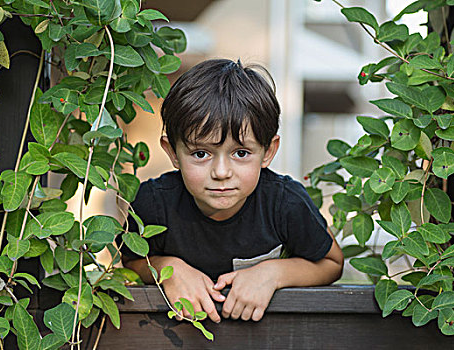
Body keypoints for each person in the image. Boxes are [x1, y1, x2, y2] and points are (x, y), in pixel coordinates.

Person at [121, 59, 344, 323]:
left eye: (241, 153)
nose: (222, 172)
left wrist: (272, 274)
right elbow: (130, 262)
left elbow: (332, 263)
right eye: (201, 153)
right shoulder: (153, 204)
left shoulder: (285, 203)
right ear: (173, 153)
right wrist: (168, 269)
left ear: (268, 151)